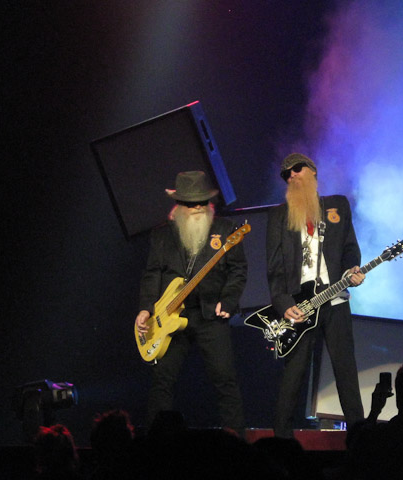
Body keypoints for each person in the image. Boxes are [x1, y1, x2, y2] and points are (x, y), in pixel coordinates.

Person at [135, 170, 247, 435]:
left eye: (202, 202)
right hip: (169, 317)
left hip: (210, 315)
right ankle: (159, 441)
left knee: (225, 380)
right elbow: (152, 273)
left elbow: (238, 270)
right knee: (162, 381)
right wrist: (146, 308)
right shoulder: (162, 235)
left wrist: (228, 300)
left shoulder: (225, 230)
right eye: (191, 203)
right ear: (179, 204)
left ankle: (236, 442)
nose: (197, 208)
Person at [266, 153, 365, 438]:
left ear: (312, 171)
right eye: (286, 174)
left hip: (334, 300)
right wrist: (284, 303)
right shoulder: (279, 216)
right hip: (300, 305)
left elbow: (349, 248)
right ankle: (281, 440)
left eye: (297, 169)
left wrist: (352, 270)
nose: (292, 175)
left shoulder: (337, 206)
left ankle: (360, 440)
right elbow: (274, 267)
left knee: (346, 371)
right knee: (294, 374)